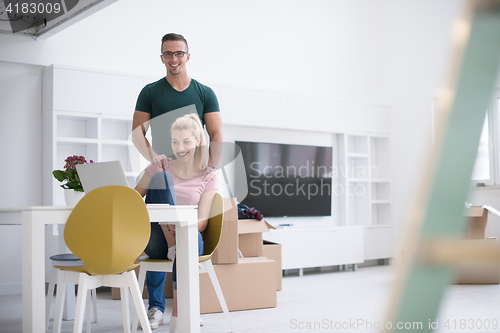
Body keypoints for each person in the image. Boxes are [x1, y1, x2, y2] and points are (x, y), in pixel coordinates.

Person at [135, 114, 217, 332]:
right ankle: (157, 308)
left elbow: (202, 221)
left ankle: (182, 310)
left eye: (186, 142)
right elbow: (132, 199)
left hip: (189, 234)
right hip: (158, 239)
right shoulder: (160, 166)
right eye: (175, 142)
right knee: (162, 179)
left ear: (198, 140)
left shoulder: (207, 176)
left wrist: (180, 225)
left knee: (186, 244)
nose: (180, 148)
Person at [132, 33, 223, 178]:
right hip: (162, 173)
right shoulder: (149, 92)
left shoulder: (206, 93)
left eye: (179, 53)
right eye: (168, 54)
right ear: (162, 58)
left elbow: (216, 134)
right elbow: (137, 134)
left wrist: (212, 166)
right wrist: (154, 158)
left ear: (188, 56)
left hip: (196, 175)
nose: (174, 59)